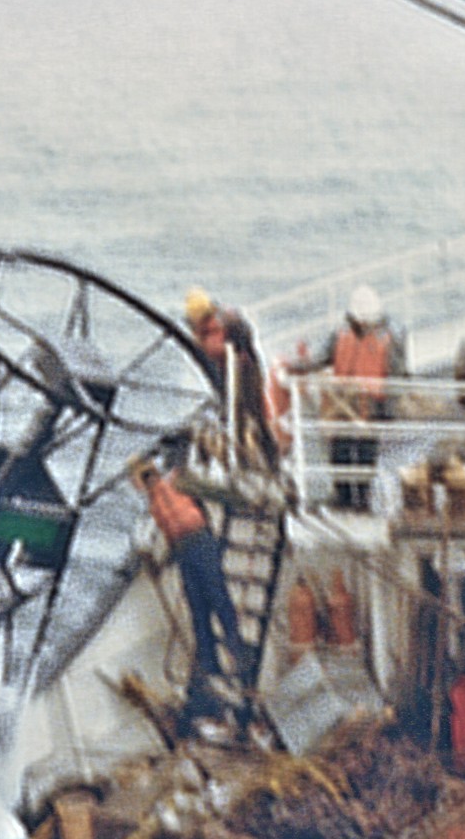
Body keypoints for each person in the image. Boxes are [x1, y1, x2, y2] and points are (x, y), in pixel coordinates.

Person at [129, 456, 249, 721]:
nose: (143, 482)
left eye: (143, 475)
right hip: (183, 551)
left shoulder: (178, 480)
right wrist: (160, 564)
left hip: (201, 542)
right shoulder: (153, 505)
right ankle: (210, 666)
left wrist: (244, 501)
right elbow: (169, 535)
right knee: (198, 611)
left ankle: (235, 647)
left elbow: (214, 493)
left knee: (218, 597)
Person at [287, 285, 405, 509]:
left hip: (370, 409)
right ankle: (342, 498)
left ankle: (363, 500)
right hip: (341, 407)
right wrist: (296, 366)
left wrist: (389, 411)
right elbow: (320, 358)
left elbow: (396, 377)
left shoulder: (390, 339)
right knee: (339, 452)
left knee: (364, 458)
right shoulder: (340, 334)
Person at [184, 288, 277, 469]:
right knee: (228, 414)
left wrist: (238, 355)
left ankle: (268, 459)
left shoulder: (228, 321)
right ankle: (234, 459)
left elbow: (244, 340)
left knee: (254, 415)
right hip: (223, 374)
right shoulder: (201, 332)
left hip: (244, 372)